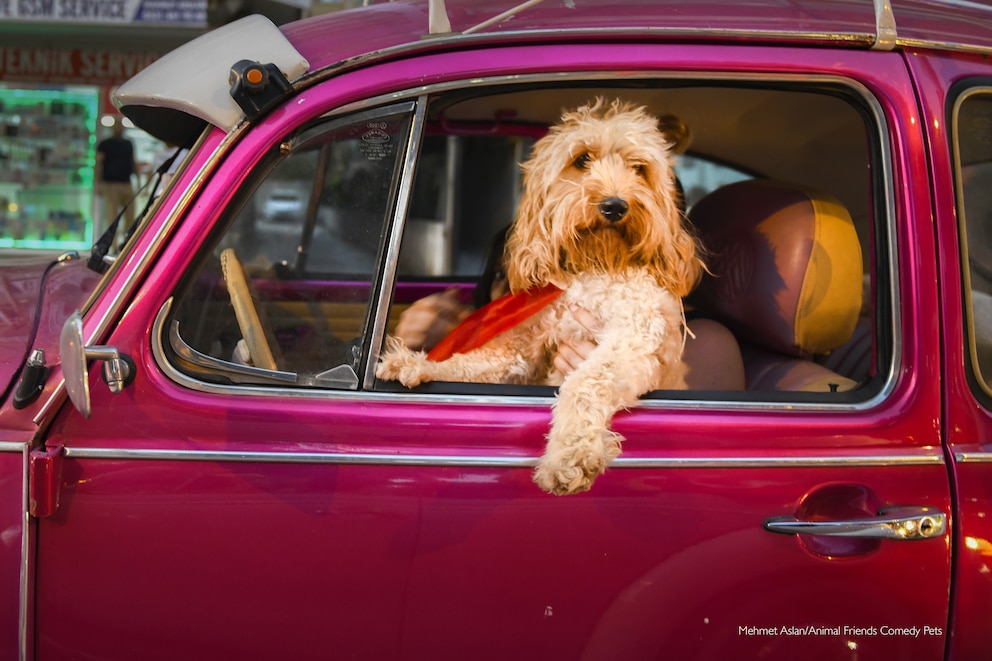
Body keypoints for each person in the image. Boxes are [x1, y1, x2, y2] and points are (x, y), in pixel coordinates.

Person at [393, 224, 745, 391]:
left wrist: (622, 374)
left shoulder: (705, 343)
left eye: (544, 278)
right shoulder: (499, 329)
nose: (518, 293)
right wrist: (430, 348)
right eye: (504, 274)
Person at [95, 120, 136, 247]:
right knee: (112, 216)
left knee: (131, 215)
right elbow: (98, 164)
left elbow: (132, 162)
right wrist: (98, 183)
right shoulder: (105, 144)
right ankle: (111, 245)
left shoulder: (128, 143)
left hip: (126, 183)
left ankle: (127, 243)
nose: (119, 129)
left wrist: (138, 181)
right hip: (111, 183)